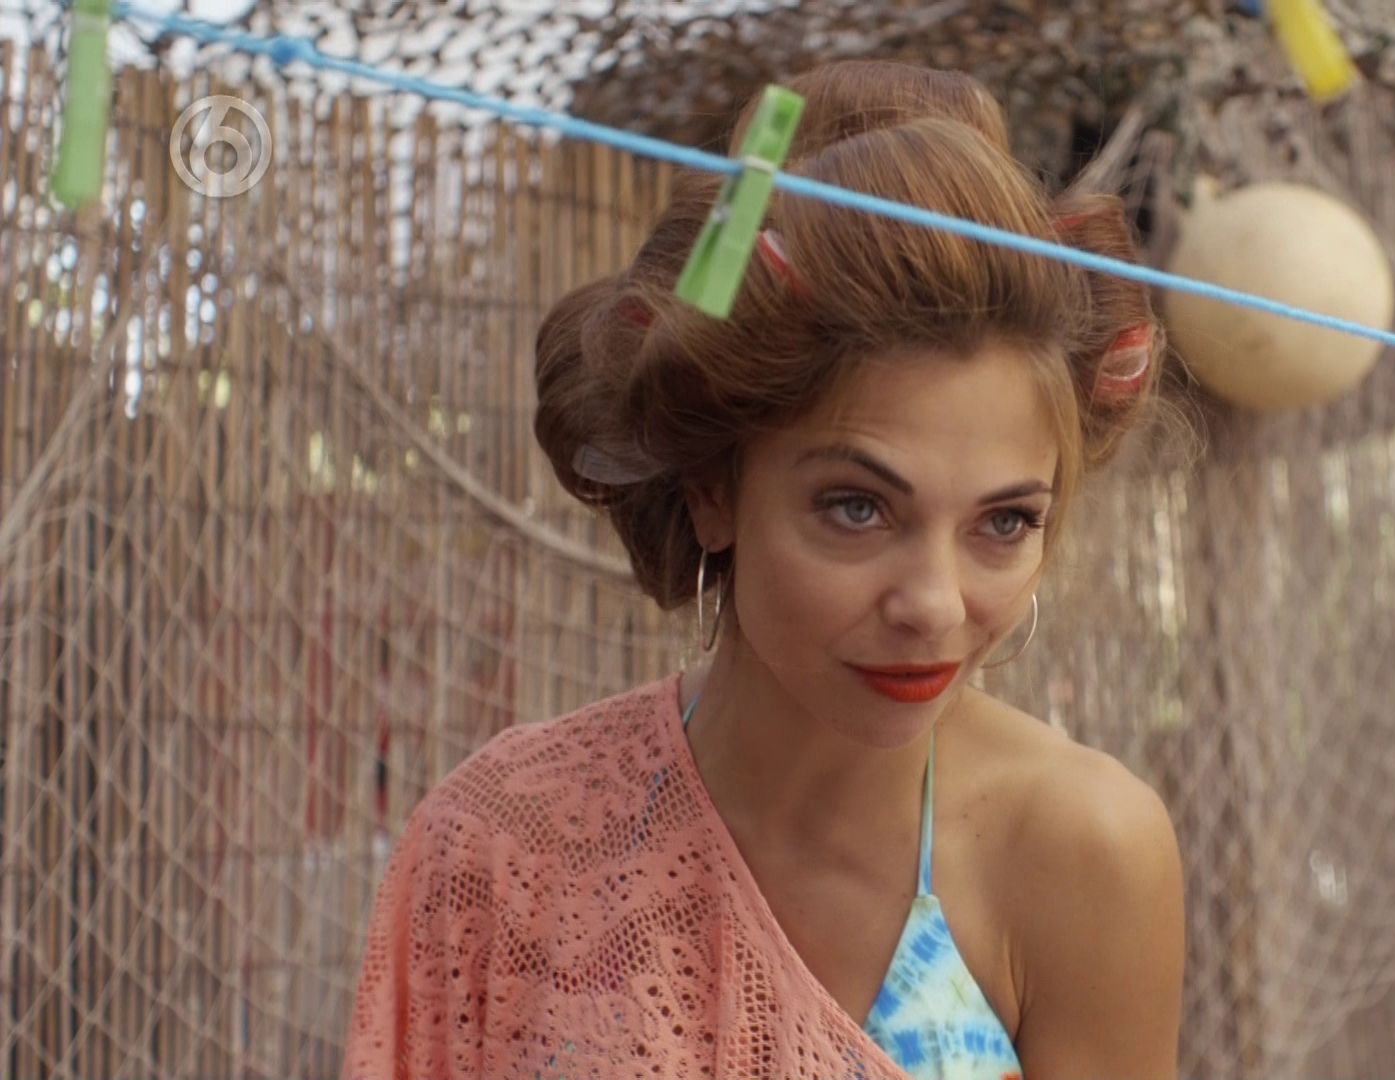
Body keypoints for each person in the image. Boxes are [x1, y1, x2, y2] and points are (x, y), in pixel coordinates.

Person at [341, 59, 1186, 1080]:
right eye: (857, 507)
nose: (933, 605)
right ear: (714, 490)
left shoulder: (1084, 852)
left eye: (1004, 522)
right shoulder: (504, 844)